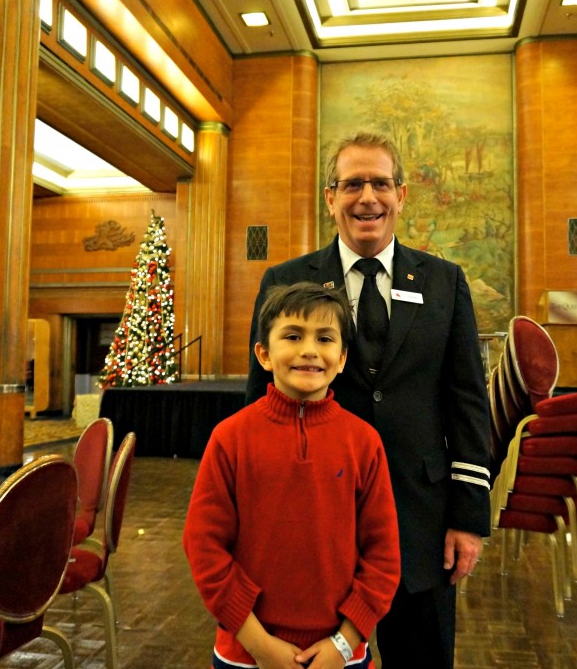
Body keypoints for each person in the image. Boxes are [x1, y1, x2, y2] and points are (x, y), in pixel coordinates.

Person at [245, 132, 492, 668]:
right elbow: (256, 408)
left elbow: (468, 401)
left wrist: (469, 517)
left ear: (402, 195)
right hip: (314, 523)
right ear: (330, 198)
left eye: (380, 183)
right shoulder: (284, 281)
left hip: (420, 525)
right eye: (352, 184)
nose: (368, 198)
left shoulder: (445, 282)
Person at [185, 281, 401, 669]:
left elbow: (383, 553)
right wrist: (258, 644)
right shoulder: (230, 437)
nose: (309, 350)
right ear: (264, 354)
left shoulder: (364, 441)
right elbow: (205, 546)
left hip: (341, 656)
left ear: (341, 358)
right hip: (247, 654)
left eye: (324, 338)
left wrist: (344, 642)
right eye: (293, 335)